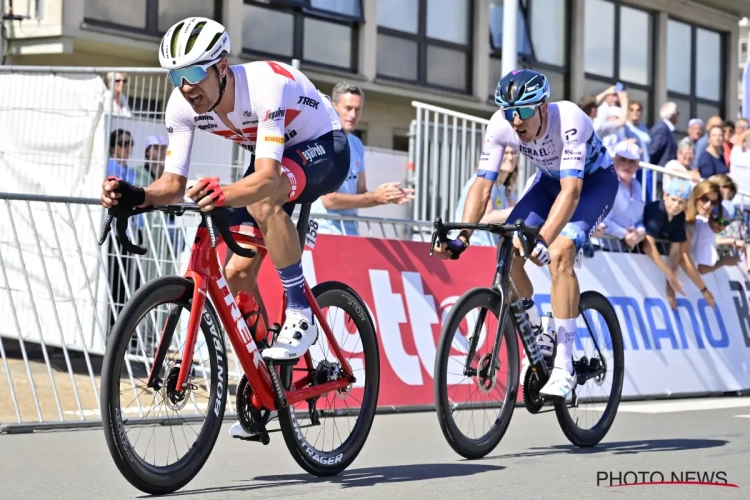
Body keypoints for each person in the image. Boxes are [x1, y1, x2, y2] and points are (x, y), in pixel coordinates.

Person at [98, 18, 351, 438]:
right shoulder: (182, 106)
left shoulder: (264, 87)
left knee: (265, 198)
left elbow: (268, 178)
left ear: (222, 66)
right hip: (278, 157)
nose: (185, 86)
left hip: (323, 145)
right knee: (235, 273)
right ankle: (268, 379)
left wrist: (226, 192)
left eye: (194, 73)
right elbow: (173, 186)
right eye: (176, 76)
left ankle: (300, 310)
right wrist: (137, 196)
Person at [433, 69, 619, 399]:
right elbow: (482, 185)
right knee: (508, 244)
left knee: (560, 254)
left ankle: (565, 365)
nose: (516, 122)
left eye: (523, 112)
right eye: (508, 112)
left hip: (592, 185)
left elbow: (572, 192)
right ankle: (535, 328)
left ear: (543, 107)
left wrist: (544, 238)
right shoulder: (500, 125)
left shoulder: (570, 118)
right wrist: (462, 237)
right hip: (549, 183)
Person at [311, 82, 414, 236]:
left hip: (350, 232)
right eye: (348, 108)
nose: (353, 115)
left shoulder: (356, 143)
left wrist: (388, 195)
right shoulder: (323, 141)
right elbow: (329, 200)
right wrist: (376, 198)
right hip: (323, 232)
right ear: (334, 107)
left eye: (357, 109)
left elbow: (361, 192)